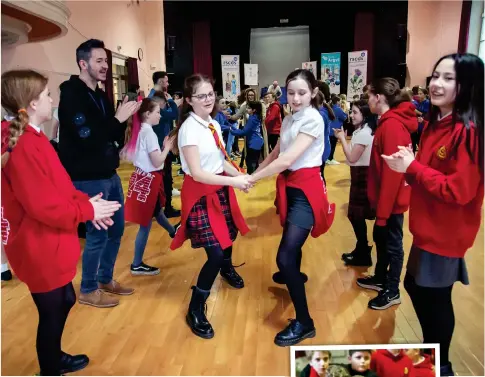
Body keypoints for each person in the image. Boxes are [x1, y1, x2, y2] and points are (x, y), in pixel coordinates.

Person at [1, 69, 122, 375]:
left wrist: (85, 203)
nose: (51, 99)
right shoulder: (24, 146)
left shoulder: (33, 138)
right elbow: (43, 206)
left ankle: (54, 359)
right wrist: (88, 213)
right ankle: (50, 368)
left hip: (47, 240)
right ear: (30, 104)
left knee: (64, 298)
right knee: (53, 309)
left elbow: (61, 186)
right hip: (38, 243)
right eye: (46, 95)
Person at [382, 53, 484, 377]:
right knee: (416, 287)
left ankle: (443, 366)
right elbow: (425, 173)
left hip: (446, 232)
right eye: (435, 76)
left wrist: (412, 167)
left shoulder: (468, 130)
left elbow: (460, 191)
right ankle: (434, 355)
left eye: (448, 78)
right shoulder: (435, 122)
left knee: (433, 297)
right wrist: (409, 164)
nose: (436, 84)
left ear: (467, 85)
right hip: (428, 227)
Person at [248, 69, 335, 346]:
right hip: (291, 187)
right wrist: (251, 174)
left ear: (312, 93)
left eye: (302, 93)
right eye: (291, 92)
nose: (295, 98)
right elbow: (276, 153)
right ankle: (293, 276)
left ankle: (305, 323)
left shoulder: (312, 119)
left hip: (306, 191)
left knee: (284, 257)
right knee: (290, 248)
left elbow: (287, 161)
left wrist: (251, 179)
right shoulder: (289, 119)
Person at [169, 74, 251, 340]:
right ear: (190, 100)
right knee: (214, 253)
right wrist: (235, 182)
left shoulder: (213, 123)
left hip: (220, 188)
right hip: (201, 194)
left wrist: (238, 176)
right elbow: (198, 172)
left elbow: (221, 160)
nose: (208, 99)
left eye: (211, 93)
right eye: (201, 95)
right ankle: (196, 306)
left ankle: (227, 267)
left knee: (230, 234)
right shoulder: (189, 129)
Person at [58, 39, 138, 308]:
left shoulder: (100, 94)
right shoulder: (72, 94)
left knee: (116, 230)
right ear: (84, 63)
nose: (105, 66)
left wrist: (118, 122)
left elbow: (112, 134)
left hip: (109, 173)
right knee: (97, 234)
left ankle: (105, 278)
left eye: (106, 61)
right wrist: (118, 119)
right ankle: (88, 288)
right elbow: (88, 138)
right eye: (100, 61)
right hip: (88, 177)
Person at [355, 78, 417, 311]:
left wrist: (382, 214)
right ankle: (381, 278)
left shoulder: (391, 126)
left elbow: (393, 175)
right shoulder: (387, 122)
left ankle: (392, 290)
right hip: (385, 200)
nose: (367, 100)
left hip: (391, 202)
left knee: (393, 244)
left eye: (369, 96)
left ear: (379, 97)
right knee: (383, 240)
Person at [121, 98, 180, 276]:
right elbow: (157, 160)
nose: (160, 116)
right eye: (157, 112)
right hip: (149, 179)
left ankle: (172, 231)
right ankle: (137, 263)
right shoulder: (149, 134)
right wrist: (167, 147)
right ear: (147, 114)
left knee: (156, 212)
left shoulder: (140, 131)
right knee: (145, 223)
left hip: (142, 177)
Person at [335, 100, 377, 267]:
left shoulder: (364, 134)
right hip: (361, 175)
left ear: (365, 115)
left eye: (354, 112)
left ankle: (363, 251)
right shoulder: (363, 131)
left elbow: (351, 158)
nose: (350, 115)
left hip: (362, 176)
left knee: (356, 215)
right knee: (355, 215)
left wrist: (342, 139)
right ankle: (361, 249)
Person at [150, 90, 181, 216]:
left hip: (159, 151)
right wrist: (171, 102)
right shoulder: (159, 113)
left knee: (161, 181)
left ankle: (157, 208)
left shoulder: (153, 114)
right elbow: (174, 114)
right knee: (166, 180)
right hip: (162, 152)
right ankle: (166, 208)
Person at [230, 101, 264, 174]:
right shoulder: (255, 117)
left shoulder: (252, 119)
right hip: (256, 141)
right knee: (253, 160)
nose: (247, 109)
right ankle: (254, 176)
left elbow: (244, 131)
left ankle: (251, 177)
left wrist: (232, 131)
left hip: (254, 142)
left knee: (250, 161)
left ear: (254, 110)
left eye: (249, 108)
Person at [326, 96, 348, 165]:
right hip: (335, 130)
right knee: (333, 145)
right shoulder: (338, 109)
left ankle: (327, 158)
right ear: (338, 101)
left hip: (329, 129)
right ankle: (330, 159)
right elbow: (344, 117)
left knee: (329, 145)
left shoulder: (329, 108)